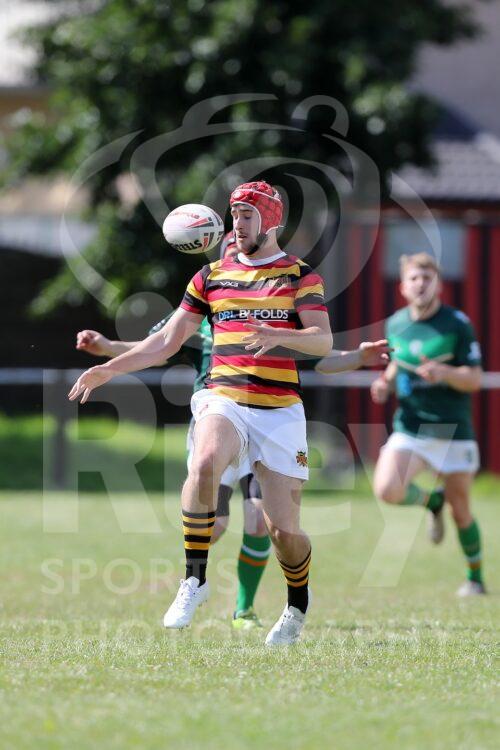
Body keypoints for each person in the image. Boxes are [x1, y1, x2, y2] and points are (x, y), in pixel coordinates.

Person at [69, 181, 389, 645]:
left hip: (279, 411)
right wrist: (108, 370)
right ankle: (194, 580)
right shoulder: (209, 277)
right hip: (224, 397)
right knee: (204, 460)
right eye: (234, 215)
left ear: (272, 220)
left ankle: (298, 601)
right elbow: (164, 342)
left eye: (247, 215)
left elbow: (320, 341)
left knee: (283, 532)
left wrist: (283, 336)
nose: (237, 224)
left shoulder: (300, 276)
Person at [75, 313, 271, 631]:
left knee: (259, 520)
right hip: (216, 424)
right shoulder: (205, 302)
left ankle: (244, 609)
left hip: (265, 420)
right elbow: (159, 344)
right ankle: (195, 580)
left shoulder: (272, 300)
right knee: (215, 526)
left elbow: (310, 340)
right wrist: (109, 347)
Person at [369, 252, 486, 596]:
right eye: (414, 278)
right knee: (387, 489)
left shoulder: (457, 324)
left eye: (427, 278)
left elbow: (475, 379)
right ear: (403, 287)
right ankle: (430, 502)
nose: (421, 284)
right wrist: (385, 383)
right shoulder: (395, 324)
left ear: (438, 284)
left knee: (461, 509)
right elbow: (398, 364)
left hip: (453, 430)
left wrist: (445, 372)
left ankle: (475, 578)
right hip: (411, 427)